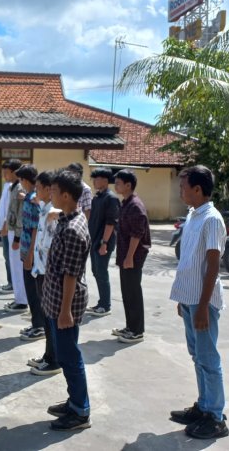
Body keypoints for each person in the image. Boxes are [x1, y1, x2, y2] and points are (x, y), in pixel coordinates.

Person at [169, 165, 229, 439]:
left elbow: (213, 264)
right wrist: (184, 299)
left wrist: (203, 305)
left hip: (204, 302)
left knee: (208, 358)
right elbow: (190, 260)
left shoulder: (212, 219)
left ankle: (216, 418)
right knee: (198, 356)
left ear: (197, 189)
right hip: (191, 298)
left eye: (184, 187)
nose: (180, 191)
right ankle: (204, 406)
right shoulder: (194, 215)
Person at [41, 170, 92, 432]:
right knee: (66, 354)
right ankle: (75, 400)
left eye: (53, 191)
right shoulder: (70, 216)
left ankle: (80, 411)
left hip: (65, 303)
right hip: (56, 299)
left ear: (65, 195)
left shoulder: (73, 229)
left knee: (69, 356)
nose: (50, 195)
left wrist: (64, 312)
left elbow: (70, 275)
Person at [27, 170, 62, 376]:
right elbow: (32, 197)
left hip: (50, 272)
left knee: (51, 319)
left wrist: (59, 212)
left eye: (39, 188)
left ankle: (54, 360)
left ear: (50, 190)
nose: (34, 191)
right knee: (47, 317)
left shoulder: (55, 212)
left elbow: (72, 215)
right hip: (40, 270)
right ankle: (48, 356)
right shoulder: (43, 206)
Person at [112, 170, 150, 344]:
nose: (116, 185)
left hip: (133, 256)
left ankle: (136, 330)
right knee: (127, 292)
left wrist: (129, 257)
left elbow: (137, 234)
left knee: (133, 292)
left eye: (118, 183)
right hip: (125, 254)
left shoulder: (135, 205)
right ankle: (130, 326)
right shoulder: (125, 203)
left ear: (128, 185)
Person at [15, 164, 43, 341]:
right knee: (30, 289)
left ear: (25, 180)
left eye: (21, 180)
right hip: (26, 248)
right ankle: (35, 323)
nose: (20, 183)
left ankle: (39, 326)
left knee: (34, 291)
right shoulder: (30, 197)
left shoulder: (34, 199)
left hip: (31, 250)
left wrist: (30, 254)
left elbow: (35, 229)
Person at [86, 167, 120, 317]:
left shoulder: (111, 198)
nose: (94, 181)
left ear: (105, 181)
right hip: (94, 241)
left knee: (101, 271)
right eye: (93, 178)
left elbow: (110, 223)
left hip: (103, 242)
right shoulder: (97, 197)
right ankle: (101, 302)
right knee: (96, 271)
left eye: (97, 178)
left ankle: (106, 305)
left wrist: (104, 243)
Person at [3, 159, 28, 312]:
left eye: (6, 172)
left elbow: (20, 215)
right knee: (14, 266)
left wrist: (17, 237)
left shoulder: (20, 189)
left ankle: (22, 301)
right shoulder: (12, 187)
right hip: (12, 229)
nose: (4, 176)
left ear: (14, 172)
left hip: (18, 232)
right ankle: (18, 297)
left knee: (18, 267)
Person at [0, 166, 13, 294]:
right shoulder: (7, 185)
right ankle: (10, 282)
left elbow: (10, 209)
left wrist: (5, 225)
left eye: (6, 173)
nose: (3, 176)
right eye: (2, 173)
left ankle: (12, 283)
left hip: (9, 228)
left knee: (10, 256)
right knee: (7, 256)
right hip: (4, 227)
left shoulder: (13, 187)